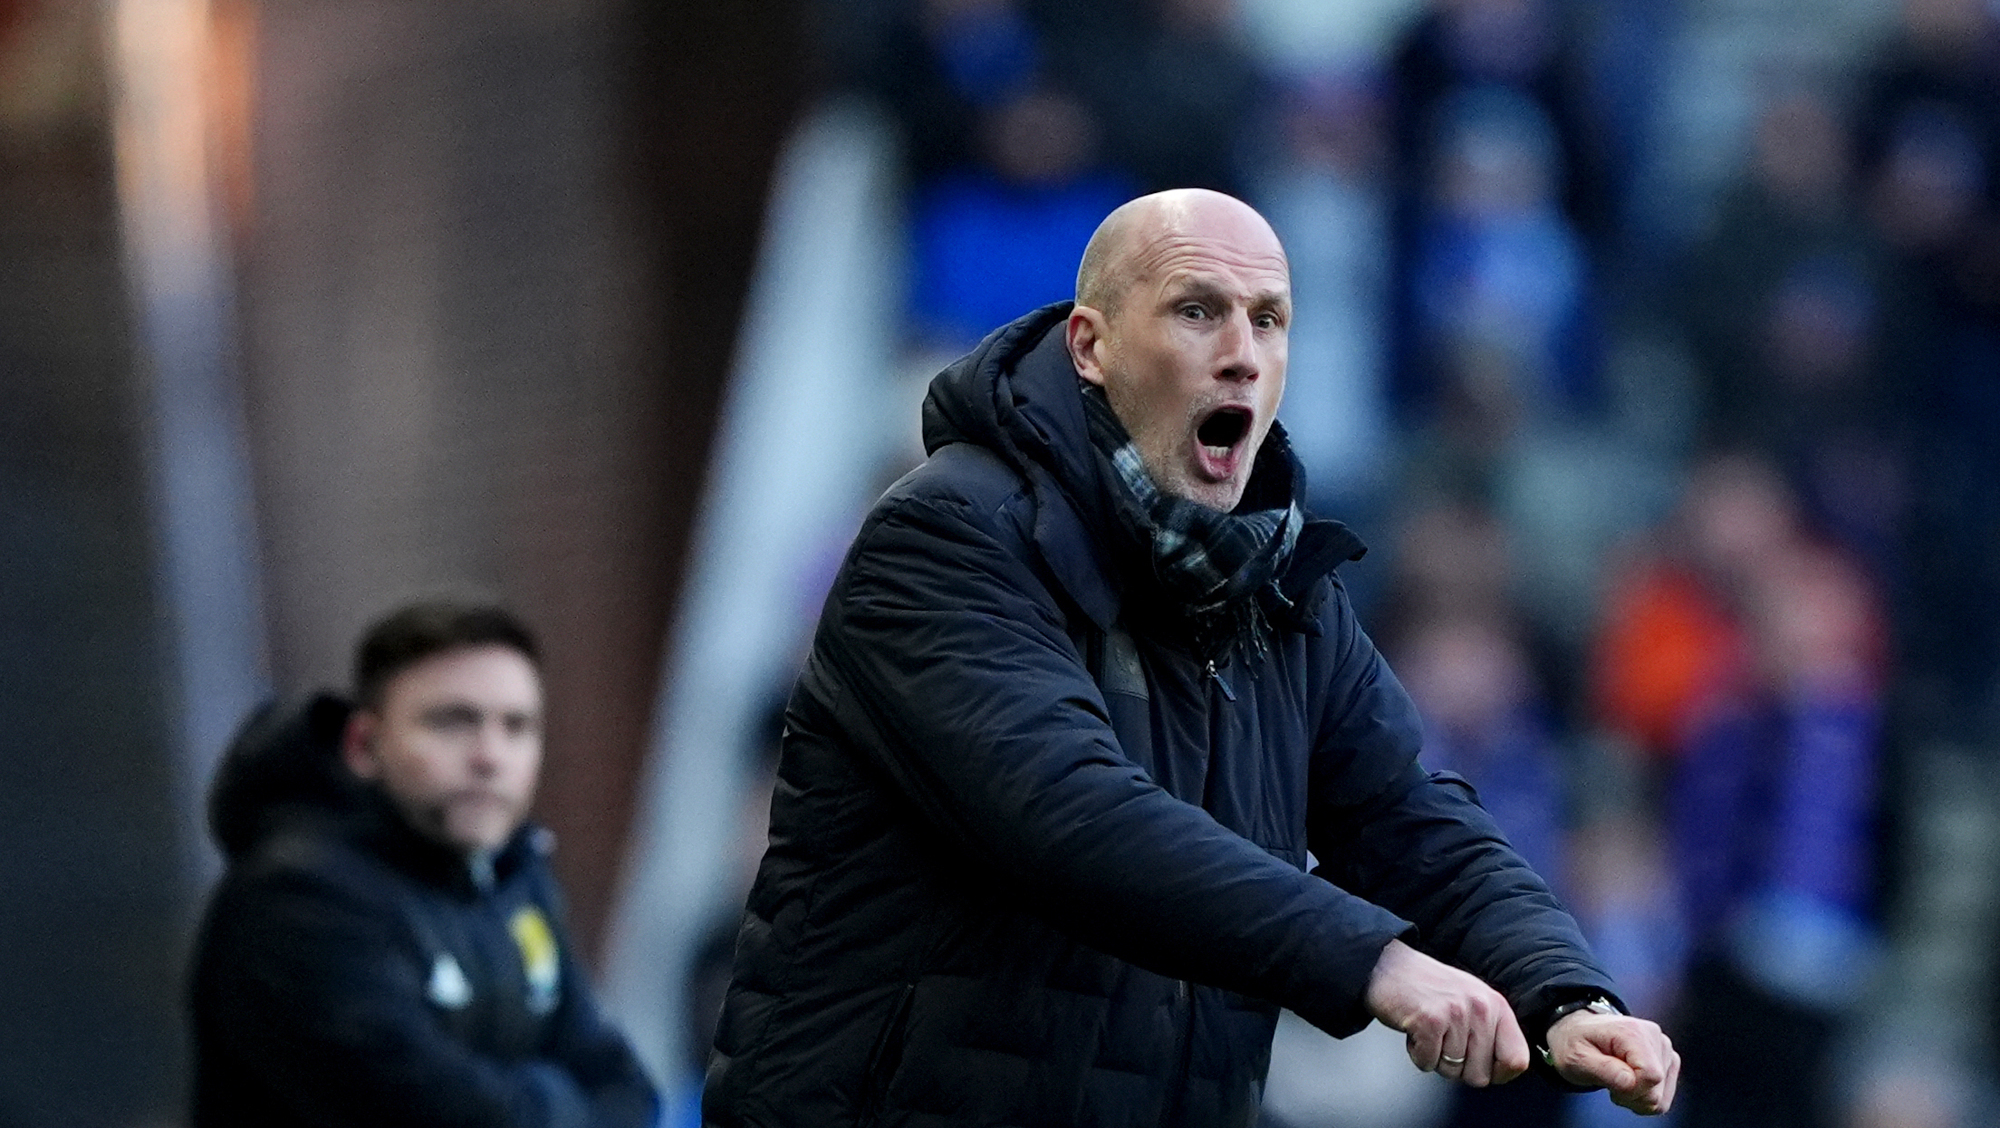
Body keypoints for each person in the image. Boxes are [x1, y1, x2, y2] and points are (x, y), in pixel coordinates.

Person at [702, 188, 1677, 1127]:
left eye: (1268, 320)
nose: (1242, 355)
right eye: (1197, 311)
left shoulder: (1283, 584)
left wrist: (1561, 991)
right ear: (1091, 346)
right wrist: (1375, 962)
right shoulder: (951, 536)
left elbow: (1403, 817)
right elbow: (1073, 816)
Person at [187, 600, 659, 1127]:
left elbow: (626, 1090)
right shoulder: (294, 901)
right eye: (453, 722)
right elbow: (427, 1114)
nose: (490, 757)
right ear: (364, 745)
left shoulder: (511, 877)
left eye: (517, 727)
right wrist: (563, 1106)